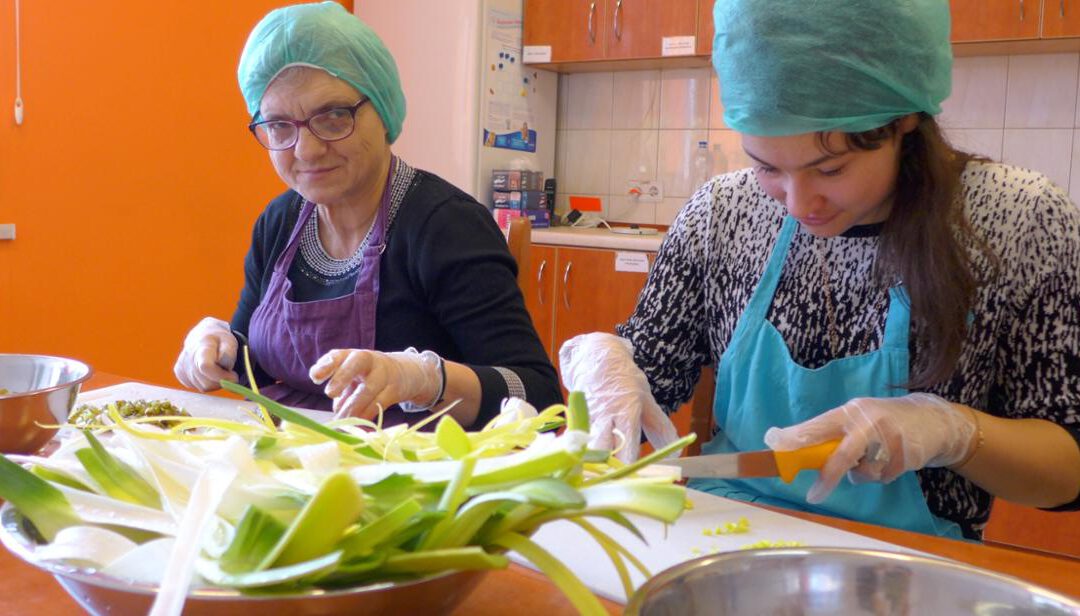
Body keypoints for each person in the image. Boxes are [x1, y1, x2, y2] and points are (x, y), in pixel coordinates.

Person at [561, 0, 1080, 540]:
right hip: (724, 528)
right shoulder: (723, 213)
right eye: (767, 167)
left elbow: (1067, 469)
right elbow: (653, 374)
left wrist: (955, 432)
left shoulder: (1017, 220)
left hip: (907, 558)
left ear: (904, 123)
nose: (797, 202)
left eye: (829, 168)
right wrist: (611, 369)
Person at [173, 2, 560, 428]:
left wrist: (425, 380)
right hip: (285, 464)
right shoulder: (280, 222)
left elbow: (538, 398)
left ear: (383, 106)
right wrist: (218, 348)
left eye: (334, 116)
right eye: (280, 125)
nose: (307, 150)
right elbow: (255, 368)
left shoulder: (444, 226)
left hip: (407, 475)